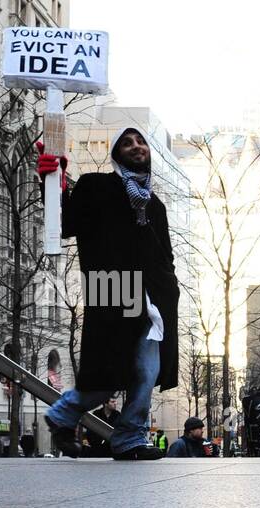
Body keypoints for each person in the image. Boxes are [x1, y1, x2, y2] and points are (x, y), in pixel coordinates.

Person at [37, 126, 179, 461]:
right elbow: (66, 223)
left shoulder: (155, 205)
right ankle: (63, 415)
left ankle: (129, 438)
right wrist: (53, 183)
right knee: (107, 376)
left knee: (147, 371)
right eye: (127, 143)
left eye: (140, 141)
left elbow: (166, 255)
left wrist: (168, 291)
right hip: (113, 289)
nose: (136, 146)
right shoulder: (96, 186)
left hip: (153, 300)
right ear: (115, 153)